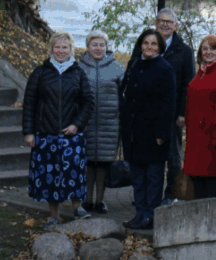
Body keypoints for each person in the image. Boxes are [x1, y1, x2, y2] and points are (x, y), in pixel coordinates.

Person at [23, 32, 95, 229]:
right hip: (46, 135)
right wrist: (29, 132)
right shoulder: (40, 73)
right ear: (51, 49)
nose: (61, 51)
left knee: (74, 172)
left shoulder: (78, 73)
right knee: (50, 176)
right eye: (57, 47)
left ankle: (77, 207)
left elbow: (88, 102)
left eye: (65, 47)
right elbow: (29, 104)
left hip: (71, 135)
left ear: (71, 50)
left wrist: (77, 124)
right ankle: (54, 215)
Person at [120, 29, 176, 230]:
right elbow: (125, 94)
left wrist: (162, 133)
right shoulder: (134, 64)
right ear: (140, 45)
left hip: (154, 134)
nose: (149, 47)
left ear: (160, 47)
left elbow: (168, 103)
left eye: (154, 44)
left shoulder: (164, 68)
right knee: (137, 177)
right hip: (134, 132)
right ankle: (139, 214)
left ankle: (150, 216)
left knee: (152, 178)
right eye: (146, 43)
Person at [146, 9, 194, 203]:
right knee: (150, 155)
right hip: (149, 112)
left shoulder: (183, 50)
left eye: (169, 22)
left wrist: (183, 112)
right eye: (161, 21)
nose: (165, 25)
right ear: (155, 23)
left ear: (176, 26)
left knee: (173, 156)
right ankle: (151, 192)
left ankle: (171, 193)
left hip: (173, 113)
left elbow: (187, 84)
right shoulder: (147, 45)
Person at [182, 35, 216, 199]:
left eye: (213, 49)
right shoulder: (202, 72)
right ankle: (198, 214)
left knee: (209, 177)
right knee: (195, 177)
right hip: (195, 134)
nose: (208, 52)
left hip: (212, 134)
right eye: (205, 49)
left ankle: (211, 213)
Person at [79, 29, 124, 215]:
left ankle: (100, 201)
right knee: (88, 162)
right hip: (85, 122)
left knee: (104, 162)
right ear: (88, 46)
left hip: (109, 123)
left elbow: (125, 95)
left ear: (107, 47)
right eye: (94, 44)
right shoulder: (78, 67)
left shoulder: (117, 68)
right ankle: (87, 200)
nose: (98, 48)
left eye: (102, 45)